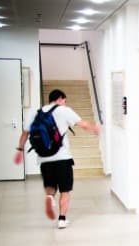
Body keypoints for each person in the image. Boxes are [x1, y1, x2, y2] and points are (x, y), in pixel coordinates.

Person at [14, 89, 101, 229]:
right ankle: (62, 219)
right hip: (62, 158)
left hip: (43, 159)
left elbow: (25, 133)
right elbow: (83, 125)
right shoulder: (64, 110)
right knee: (65, 190)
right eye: (64, 101)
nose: (64, 103)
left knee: (50, 185)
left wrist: (19, 150)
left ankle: (49, 197)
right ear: (60, 99)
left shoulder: (35, 113)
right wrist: (95, 129)